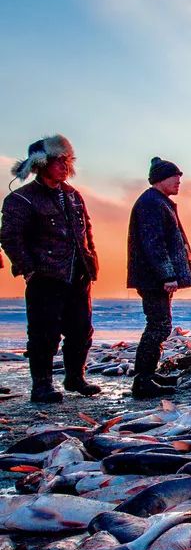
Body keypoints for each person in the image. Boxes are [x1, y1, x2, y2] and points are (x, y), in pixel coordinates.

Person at [0, 135, 100, 403]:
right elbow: (10, 237)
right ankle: (42, 385)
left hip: (78, 273)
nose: (64, 166)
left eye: (66, 160)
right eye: (58, 161)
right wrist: (29, 268)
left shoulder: (73, 195)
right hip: (46, 276)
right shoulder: (22, 199)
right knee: (44, 333)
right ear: (40, 164)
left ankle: (75, 377)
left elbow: (86, 230)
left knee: (81, 330)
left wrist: (91, 261)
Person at [126, 157, 191, 399]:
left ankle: (148, 373)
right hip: (152, 277)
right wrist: (167, 274)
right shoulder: (151, 203)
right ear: (161, 178)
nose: (179, 181)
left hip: (154, 276)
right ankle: (143, 380)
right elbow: (154, 244)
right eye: (175, 177)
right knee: (159, 325)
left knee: (160, 324)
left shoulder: (161, 202)